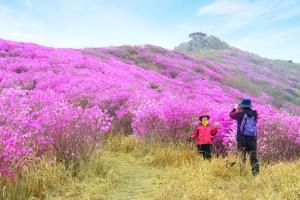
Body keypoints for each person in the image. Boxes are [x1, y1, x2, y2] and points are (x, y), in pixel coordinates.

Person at [230, 98, 259, 176]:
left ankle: (242, 175)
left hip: (242, 138)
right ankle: (255, 175)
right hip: (252, 138)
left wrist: (235, 108)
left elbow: (231, 115)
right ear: (250, 105)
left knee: (242, 157)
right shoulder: (255, 114)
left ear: (242, 105)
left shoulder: (239, 113)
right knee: (253, 157)